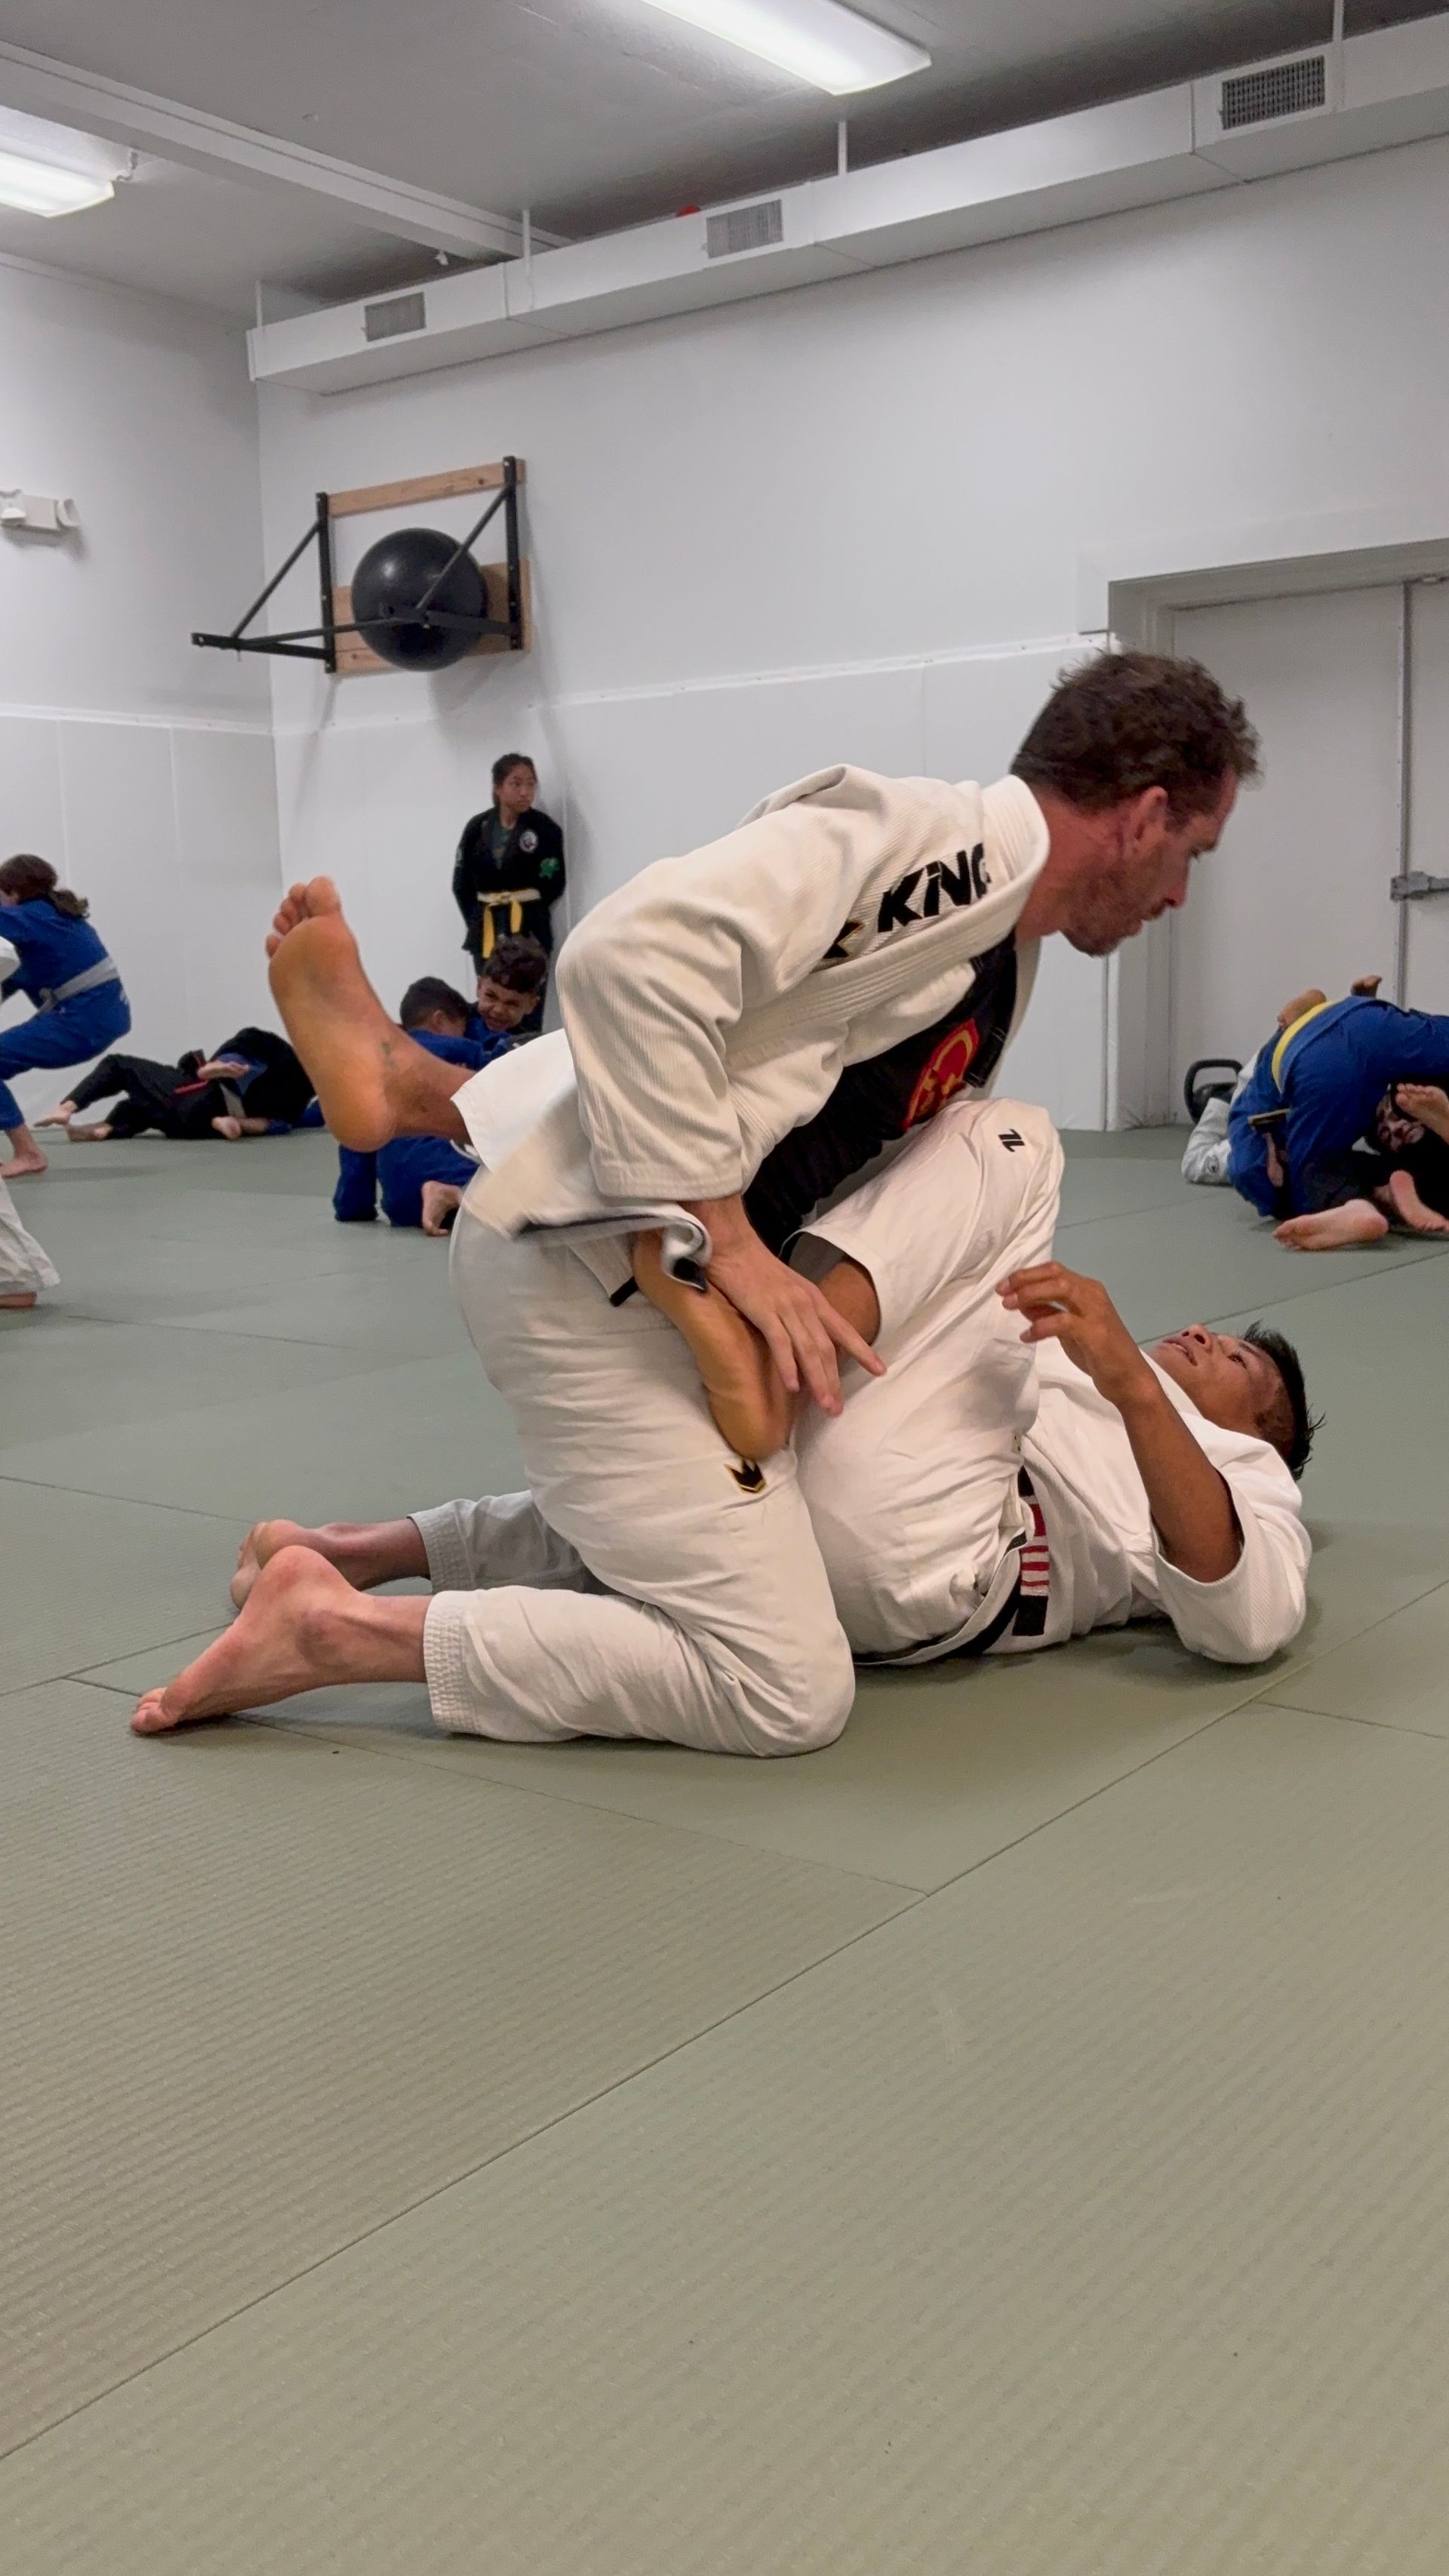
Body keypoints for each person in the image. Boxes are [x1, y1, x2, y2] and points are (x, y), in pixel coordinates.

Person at [132, 648, 1265, 1744]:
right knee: (785, 1687)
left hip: (621, 1263)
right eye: (1194, 853)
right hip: (596, 1276)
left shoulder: (1001, 944)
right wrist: (728, 1241)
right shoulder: (944, 846)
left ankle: (423, 1092)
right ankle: (335, 1631)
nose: (1178, 893)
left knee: (738, 1517)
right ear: (1144, 816)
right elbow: (625, 959)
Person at [131, 1093, 1313, 1741]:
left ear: (1266, 1440)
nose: (1210, 1341)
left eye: (1246, 1370)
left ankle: (758, 1336)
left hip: (948, 1556)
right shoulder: (1065, 1363)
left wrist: (1138, 1387)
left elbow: (1245, 1617)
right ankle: (348, 1570)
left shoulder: (1235, 1473)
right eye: (1220, 1332)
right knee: (672, 1514)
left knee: (1018, 1137)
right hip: (860, 1498)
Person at [1226, 989, 1449, 1248]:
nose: (1395, 1129)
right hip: (1366, 1022)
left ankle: (1359, 1203)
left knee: (1304, 1186)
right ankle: (1375, 1197)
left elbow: (1246, 1168)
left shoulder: (1256, 1094)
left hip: (1319, 1060)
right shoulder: (1399, 1091)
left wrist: (1271, 1187)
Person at [333, 980, 503, 1234]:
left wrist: (352, 1207)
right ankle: (454, 1193)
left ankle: (454, 1197)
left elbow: (356, 1148)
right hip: (459, 1176)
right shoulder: (458, 1050)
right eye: (460, 1029)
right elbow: (507, 1072)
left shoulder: (374, 1068)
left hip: (402, 1205)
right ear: (439, 1021)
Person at [1181, 974, 1380, 1188]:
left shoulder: (1236, 1142)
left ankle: (1348, 1012)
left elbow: (1193, 1161)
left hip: (1285, 1094)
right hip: (1279, 1077)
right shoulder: (1237, 1127)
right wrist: (1224, 1101)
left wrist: (1223, 1102)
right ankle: (1300, 1028)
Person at [0, 854, 131, 1178]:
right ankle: (27, 1152)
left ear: (13, 892)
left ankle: (29, 1154)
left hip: (83, 1021)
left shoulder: (32, 917)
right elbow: (8, 980)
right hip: (96, 1017)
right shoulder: (53, 919)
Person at [38, 1026, 313, 1143]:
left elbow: (242, 1047)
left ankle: (66, 1108)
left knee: (120, 1066)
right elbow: (279, 1124)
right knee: (147, 1103)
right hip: (196, 1128)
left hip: (203, 1097)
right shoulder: (305, 1090)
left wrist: (216, 1067)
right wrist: (238, 1124)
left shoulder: (278, 1051)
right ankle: (109, 1128)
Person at [452, 756, 565, 1025]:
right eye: (516, 784)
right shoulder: (477, 829)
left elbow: (554, 882)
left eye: (531, 784)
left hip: (529, 926)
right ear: (497, 787)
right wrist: (478, 919)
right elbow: (461, 884)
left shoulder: (545, 829)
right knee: (491, 1004)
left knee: (525, 1003)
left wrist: (529, 911)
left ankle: (527, 1043)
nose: (525, 792)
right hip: (488, 926)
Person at [470, 934, 550, 1044]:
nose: (498, 1010)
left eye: (512, 1004)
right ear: (479, 986)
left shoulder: (529, 1046)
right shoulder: (454, 1024)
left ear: (531, 1005)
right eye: (491, 996)